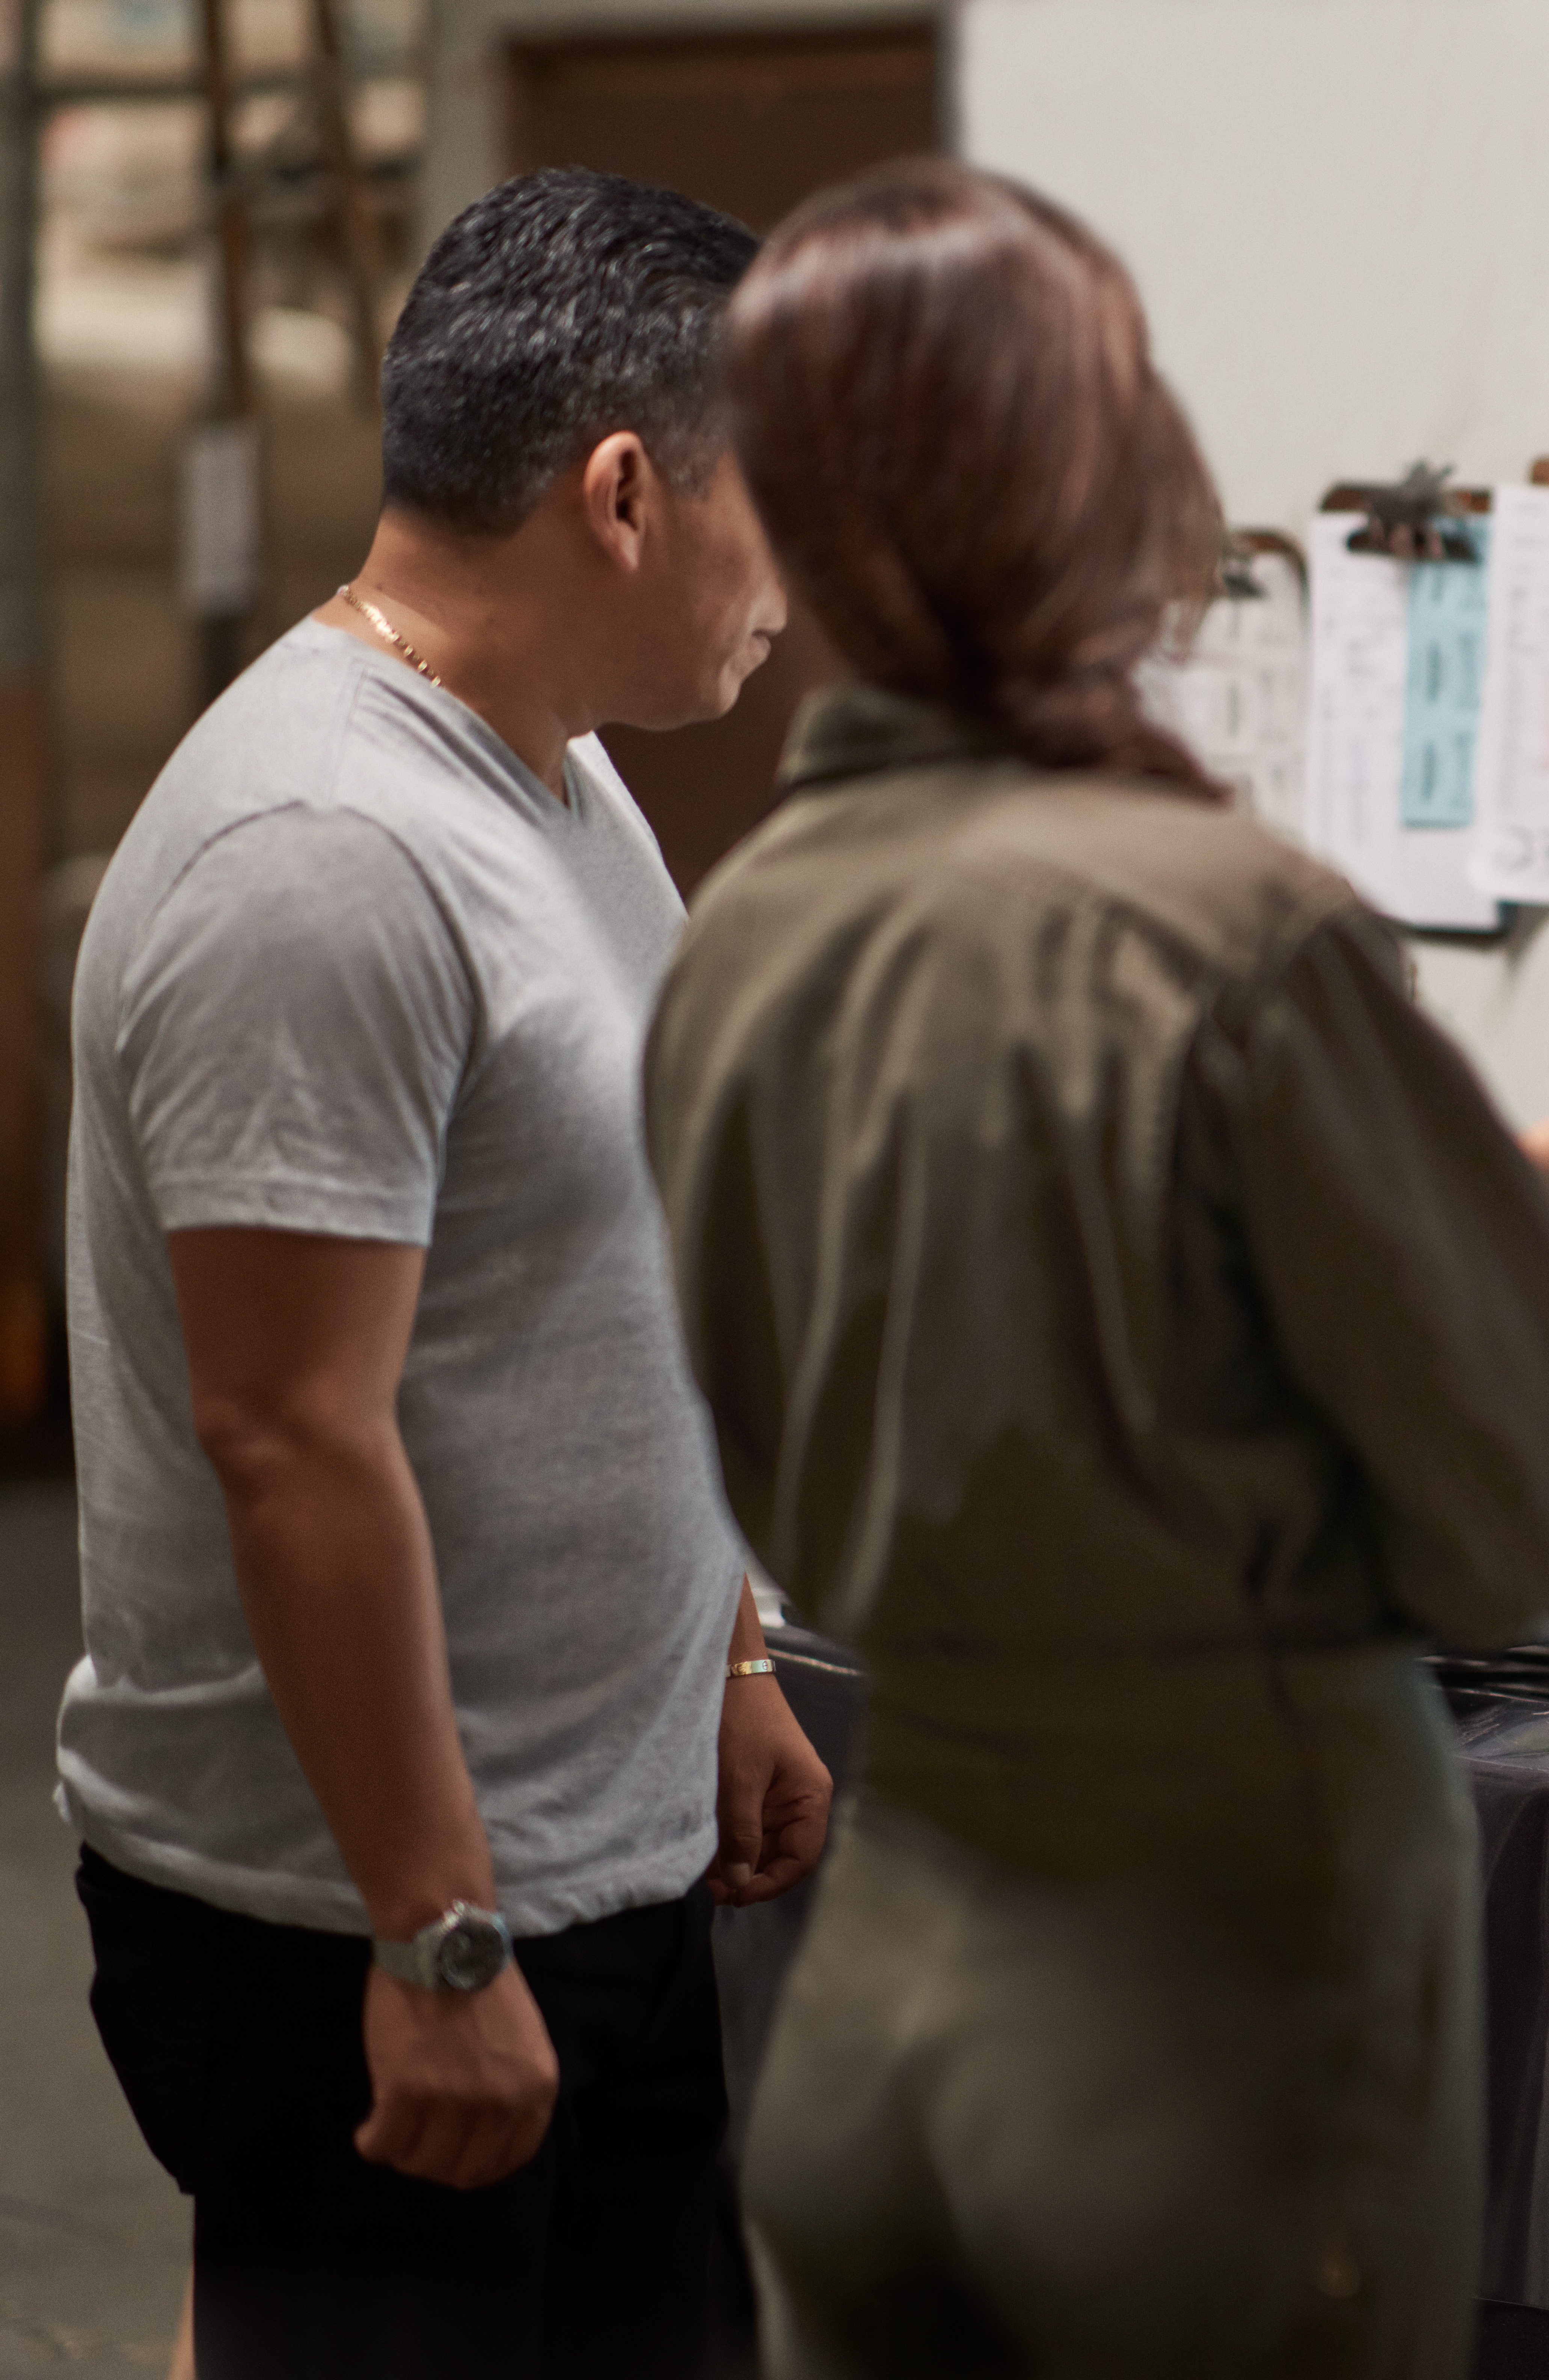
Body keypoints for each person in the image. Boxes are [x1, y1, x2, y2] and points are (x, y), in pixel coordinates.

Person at [641, 157, 1549, 2378]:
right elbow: (1520, 1521)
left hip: (876, 2040)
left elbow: (1043, 1294)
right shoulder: (1228, 934)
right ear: (1079, 475)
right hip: (1198, 2062)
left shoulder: (743, 929)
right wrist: (1479, 1243)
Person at [59, 168, 829, 2378]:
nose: (806, 572)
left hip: (598, 1864)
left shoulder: (557, 785)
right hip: (368, 1934)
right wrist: (438, 1938)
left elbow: (598, 1271)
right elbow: (293, 1437)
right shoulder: (326, 857)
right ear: (621, 491)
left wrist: (727, 1656)